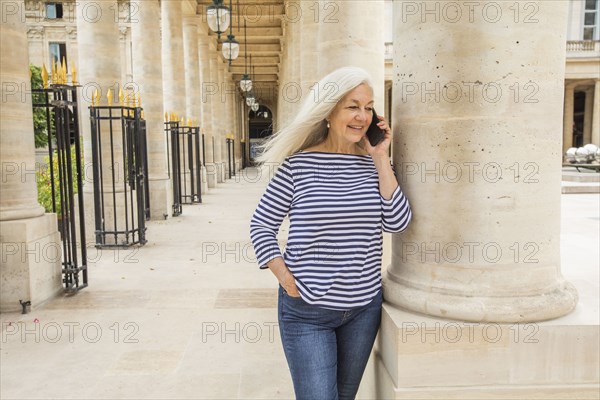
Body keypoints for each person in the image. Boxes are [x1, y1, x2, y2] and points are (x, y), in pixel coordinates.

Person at [249, 66, 412, 400]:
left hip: (363, 309)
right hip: (307, 311)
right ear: (329, 111)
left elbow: (398, 222)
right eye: (352, 106)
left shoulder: (375, 165)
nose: (362, 116)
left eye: (368, 107)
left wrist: (381, 158)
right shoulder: (298, 166)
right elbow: (262, 225)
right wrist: (283, 276)